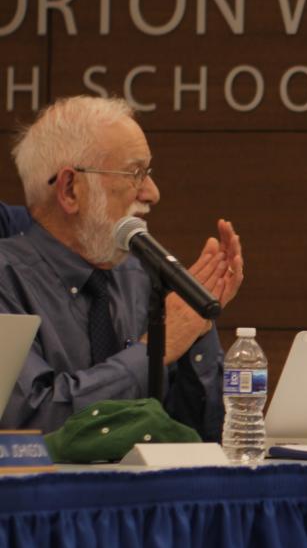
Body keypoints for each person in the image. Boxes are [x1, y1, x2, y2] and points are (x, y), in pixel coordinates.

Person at [0, 96, 245, 437]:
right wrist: (151, 352)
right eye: (135, 173)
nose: (153, 193)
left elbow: (204, 434)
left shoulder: (143, 276)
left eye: (149, 173)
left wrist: (197, 330)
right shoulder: (6, 279)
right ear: (71, 189)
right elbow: (30, 420)